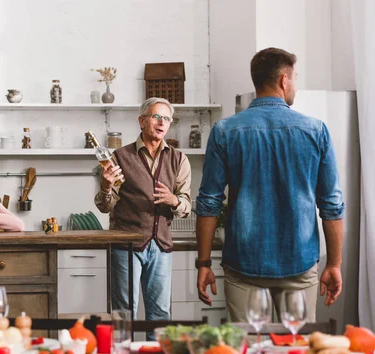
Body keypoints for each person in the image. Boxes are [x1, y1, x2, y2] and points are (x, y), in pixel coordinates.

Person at [195, 47, 345, 322]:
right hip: (299, 263)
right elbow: (332, 206)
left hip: (244, 263)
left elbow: (208, 203)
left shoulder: (225, 131)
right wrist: (334, 263)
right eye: (295, 79)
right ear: (284, 80)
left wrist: (203, 263)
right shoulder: (315, 130)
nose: (295, 86)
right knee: (296, 353)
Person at [95, 97, 192, 329]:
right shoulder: (120, 157)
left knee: (160, 313)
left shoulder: (179, 159)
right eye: (156, 116)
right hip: (126, 245)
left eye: (166, 118)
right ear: (141, 121)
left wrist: (174, 200)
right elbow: (104, 206)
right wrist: (106, 187)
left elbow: (187, 205)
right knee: (124, 311)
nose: (162, 123)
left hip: (161, 246)